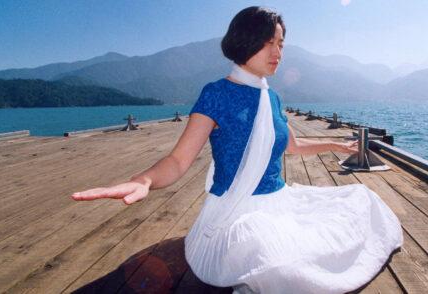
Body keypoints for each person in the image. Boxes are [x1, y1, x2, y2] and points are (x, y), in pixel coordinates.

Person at [71, 6, 403, 294]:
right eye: (268, 42)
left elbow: (291, 146)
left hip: (279, 201)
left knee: (361, 201)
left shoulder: (272, 97)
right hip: (238, 212)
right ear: (244, 41)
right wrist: (143, 180)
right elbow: (177, 160)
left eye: (281, 44)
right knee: (280, 267)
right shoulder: (217, 94)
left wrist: (333, 144)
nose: (277, 52)